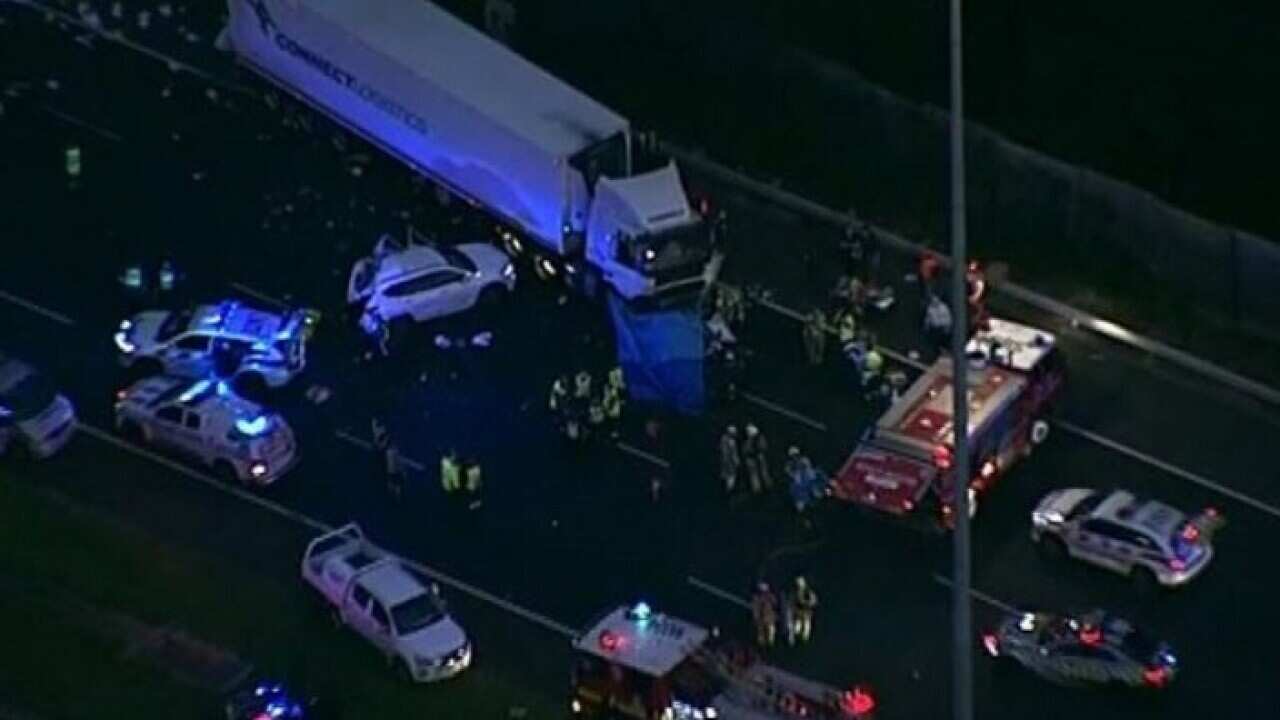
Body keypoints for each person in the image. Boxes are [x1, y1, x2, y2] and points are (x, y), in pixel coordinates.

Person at [742, 424, 772, 493]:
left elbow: (763, 447)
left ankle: (767, 486)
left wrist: (758, 452)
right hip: (752, 458)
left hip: (758, 456)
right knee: (755, 474)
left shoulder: (759, 438)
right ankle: (758, 489)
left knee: (763, 472)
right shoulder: (749, 440)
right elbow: (745, 450)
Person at [751, 582, 778, 648]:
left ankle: (770, 644)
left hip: (769, 618)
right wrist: (756, 618)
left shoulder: (770, 597)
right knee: (761, 634)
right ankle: (762, 645)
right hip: (761, 619)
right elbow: (755, 609)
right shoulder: (756, 598)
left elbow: (775, 603)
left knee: (771, 631)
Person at [792, 577, 818, 644]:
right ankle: (797, 638)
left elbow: (813, 600)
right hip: (799, 613)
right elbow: (794, 602)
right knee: (797, 627)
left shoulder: (808, 592)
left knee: (806, 626)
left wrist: (808, 603)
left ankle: (804, 639)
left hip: (806, 612)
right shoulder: (796, 593)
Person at [719, 425, 741, 494]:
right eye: (734, 432)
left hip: (725, 461)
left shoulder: (724, 438)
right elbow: (733, 452)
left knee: (728, 476)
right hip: (729, 461)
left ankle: (727, 490)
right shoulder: (730, 440)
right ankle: (729, 491)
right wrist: (736, 461)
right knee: (731, 476)